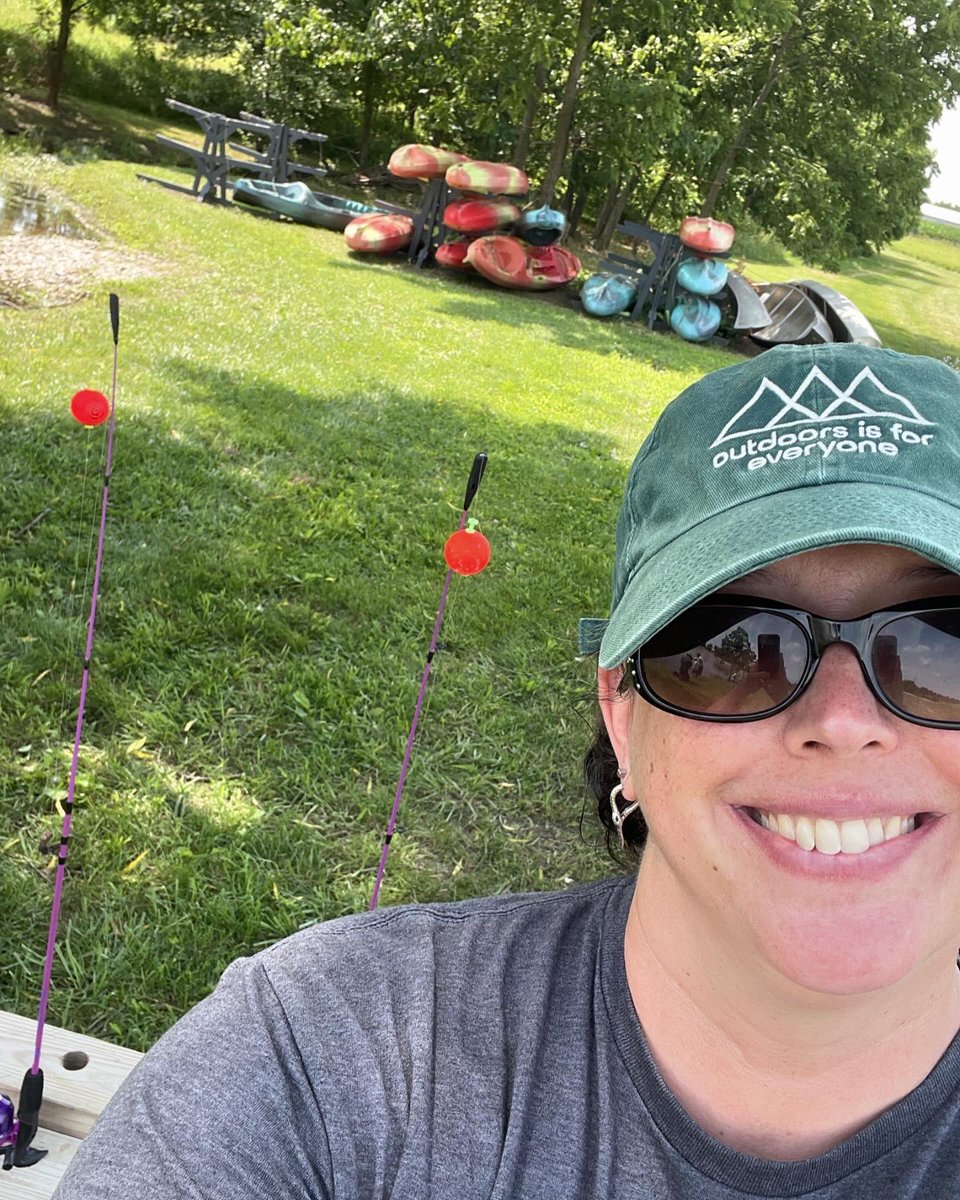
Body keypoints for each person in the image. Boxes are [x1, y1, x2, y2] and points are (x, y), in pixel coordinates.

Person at [54, 344, 960, 1198]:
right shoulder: (327, 1059)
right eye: (731, 645)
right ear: (620, 709)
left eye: (942, 643)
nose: (845, 723)